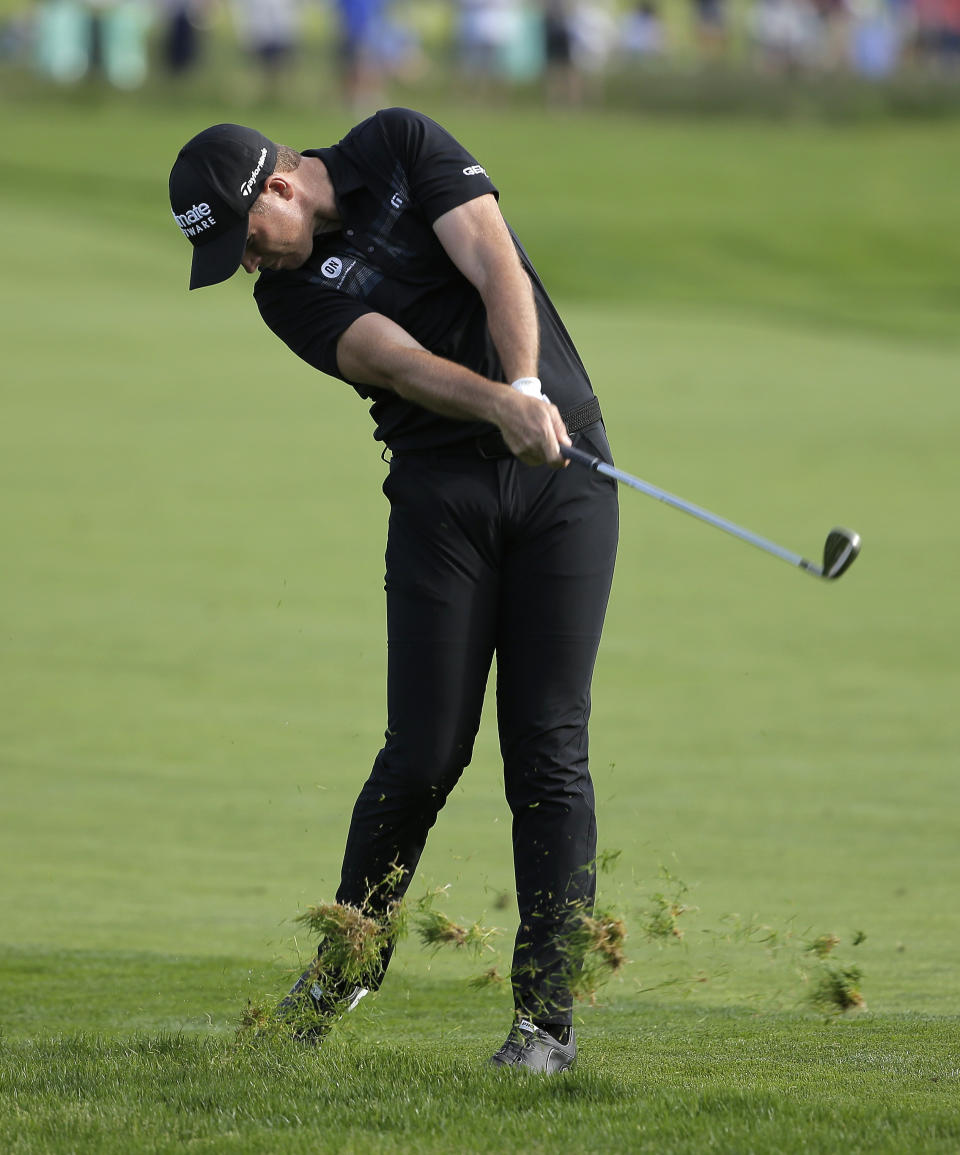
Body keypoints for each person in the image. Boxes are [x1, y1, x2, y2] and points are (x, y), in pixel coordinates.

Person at [167, 109, 618, 1073]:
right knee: (421, 754)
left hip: (562, 475)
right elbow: (393, 361)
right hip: (440, 496)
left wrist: (528, 387)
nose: (249, 265)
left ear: (277, 189)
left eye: (244, 241)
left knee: (547, 750)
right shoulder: (287, 300)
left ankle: (546, 1023)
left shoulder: (400, 146)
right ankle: (344, 968)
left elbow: (493, 258)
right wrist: (499, 403)